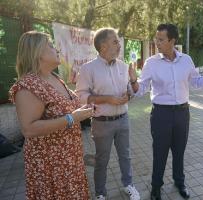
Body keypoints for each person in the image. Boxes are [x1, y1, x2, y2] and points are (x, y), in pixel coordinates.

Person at [129, 23, 203, 200]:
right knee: (159, 152)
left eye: (161, 39)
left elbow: (196, 83)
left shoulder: (186, 60)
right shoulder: (151, 63)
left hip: (182, 114)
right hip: (161, 114)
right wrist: (133, 81)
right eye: (156, 38)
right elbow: (141, 90)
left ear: (172, 40)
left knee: (179, 151)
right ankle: (156, 187)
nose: (157, 42)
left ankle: (179, 182)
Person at [9, 31, 94, 199]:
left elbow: (65, 109)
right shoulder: (28, 85)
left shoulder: (55, 77)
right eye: (51, 45)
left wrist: (84, 109)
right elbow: (29, 129)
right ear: (37, 51)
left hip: (70, 159)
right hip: (50, 165)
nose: (57, 49)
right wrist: (72, 118)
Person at [76, 28, 140, 200]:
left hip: (123, 119)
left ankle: (129, 185)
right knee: (101, 160)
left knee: (125, 156)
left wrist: (129, 92)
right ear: (103, 46)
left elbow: (132, 92)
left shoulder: (124, 66)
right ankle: (100, 194)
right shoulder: (88, 69)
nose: (119, 45)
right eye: (115, 42)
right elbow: (81, 97)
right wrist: (107, 99)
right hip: (101, 123)